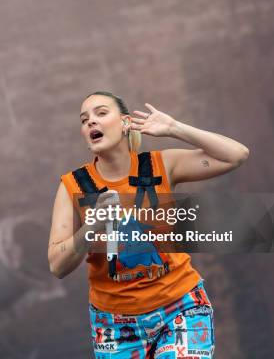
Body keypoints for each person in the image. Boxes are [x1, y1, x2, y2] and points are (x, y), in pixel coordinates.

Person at [48, 92, 249, 358]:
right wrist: (92, 225)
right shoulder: (72, 185)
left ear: (125, 122)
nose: (91, 123)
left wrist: (175, 129)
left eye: (101, 113)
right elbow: (57, 265)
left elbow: (236, 155)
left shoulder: (160, 165)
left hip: (180, 307)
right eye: (84, 120)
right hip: (115, 327)